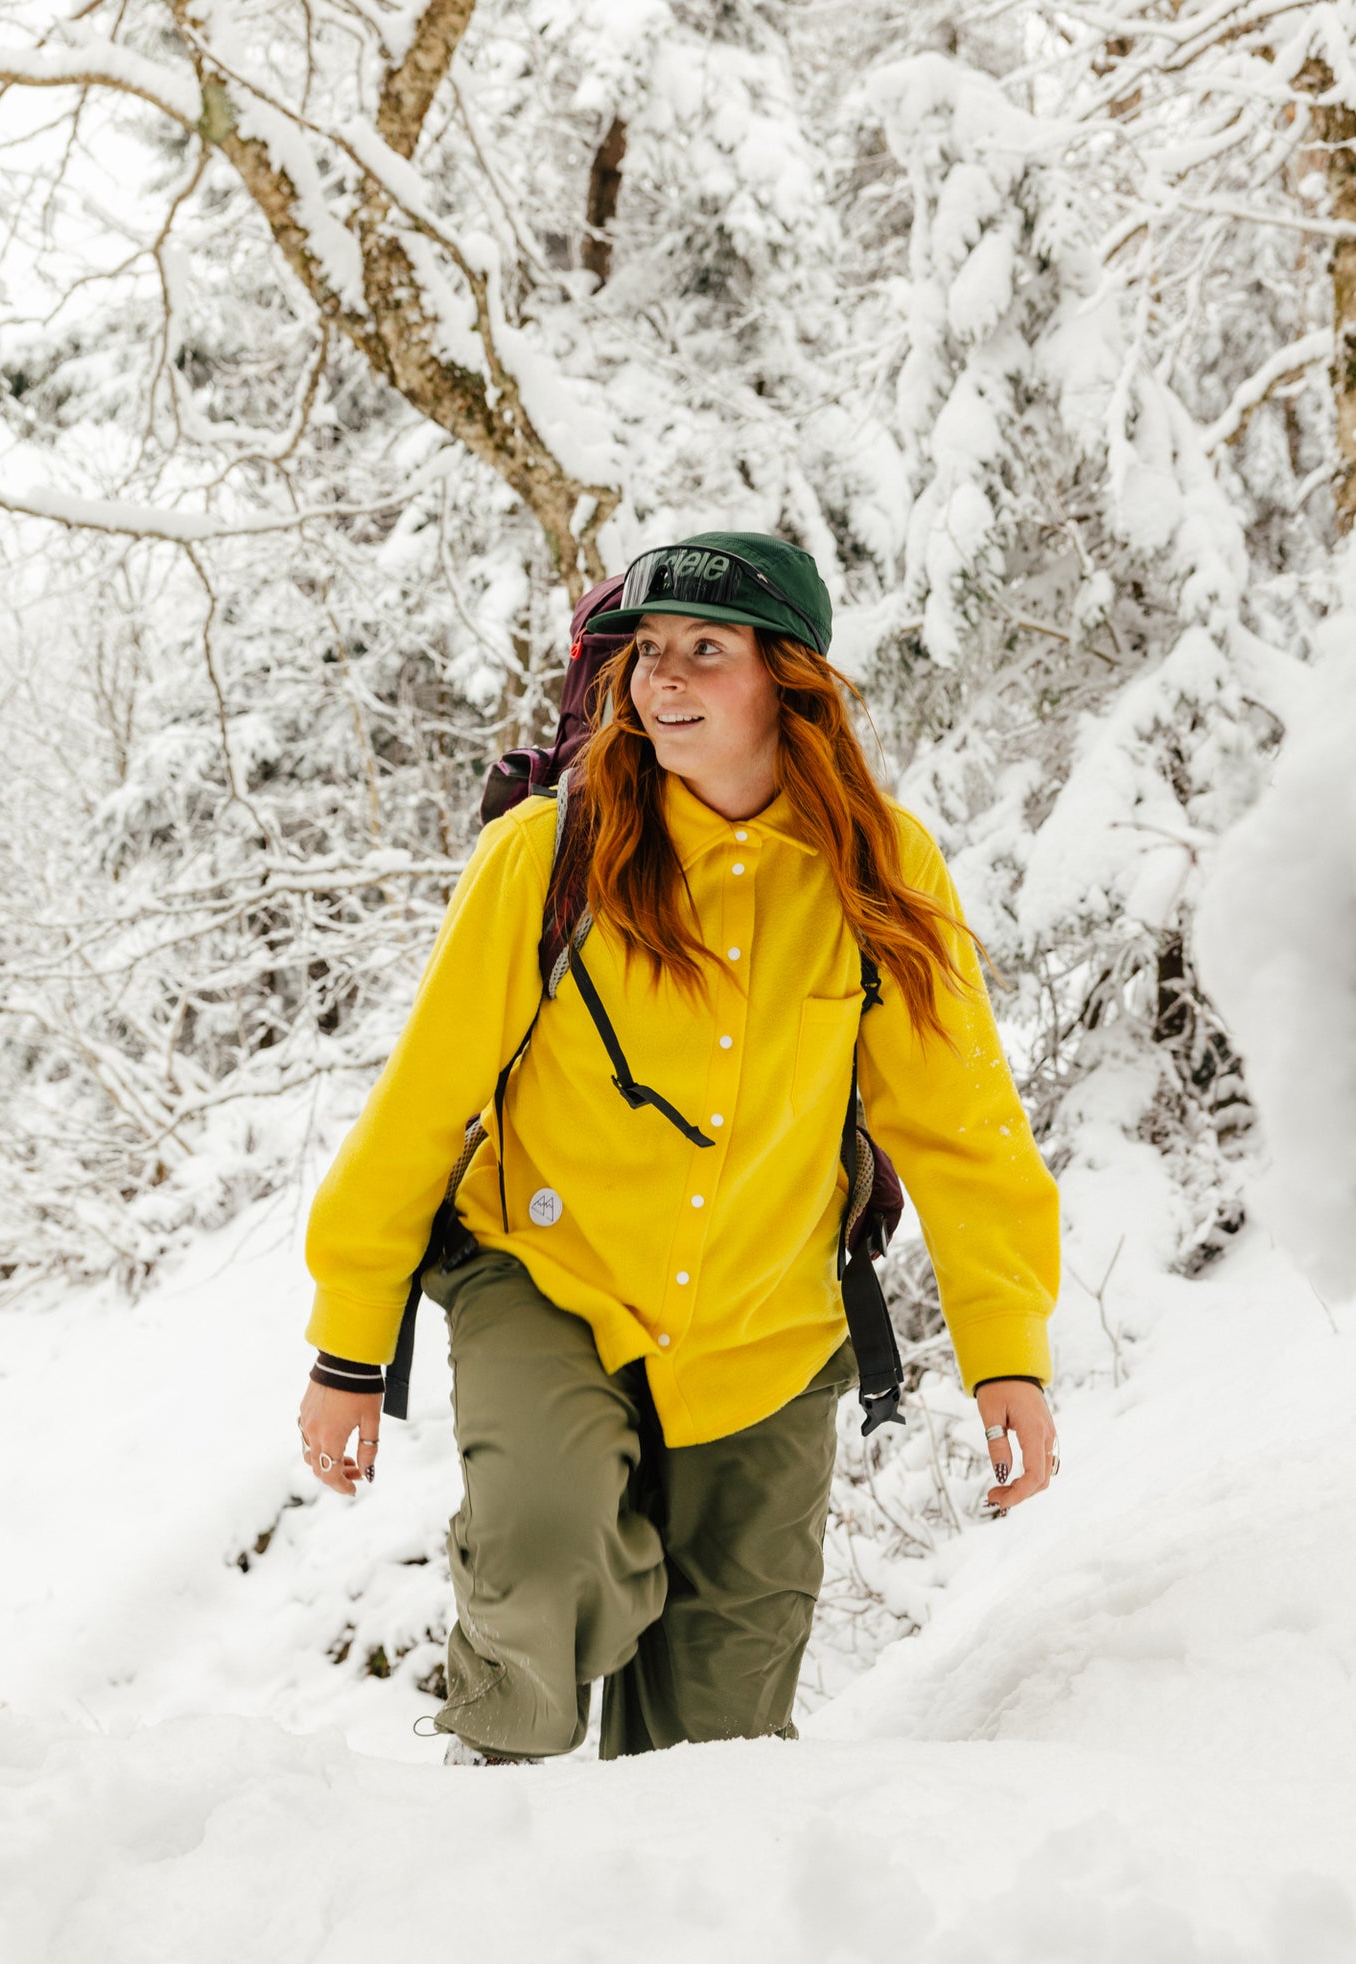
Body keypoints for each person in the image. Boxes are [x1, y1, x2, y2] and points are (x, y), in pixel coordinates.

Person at [297, 533, 1061, 1765]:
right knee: (541, 1550)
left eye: (705, 649)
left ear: (789, 681)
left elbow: (959, 1127)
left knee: (717, 1754)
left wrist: (1005, 1355)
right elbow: (420, 1108)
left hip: (767, 1330)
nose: (664, 679)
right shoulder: (545, 858)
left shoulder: (879, 869)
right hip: (549, 1280)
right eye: (649, 652)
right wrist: (348, 1345)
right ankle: (476, 1839)